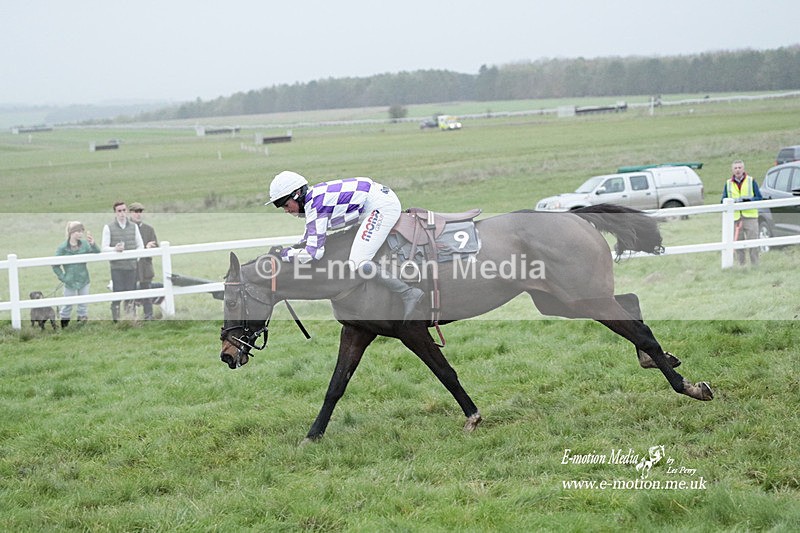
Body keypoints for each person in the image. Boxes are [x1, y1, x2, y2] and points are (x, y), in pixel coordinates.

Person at [267, 170, 424, 321]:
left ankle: (408, 292)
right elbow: (309, 238)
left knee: (358, 262)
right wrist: (289, 251)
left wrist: (284, 255)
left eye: (286, 205)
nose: (286, 211)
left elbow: (313, 253)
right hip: (374, 200)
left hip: (381, 207)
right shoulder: (313, 200)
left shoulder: (316, 205)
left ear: (298, 194)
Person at [101, 201, 144, 322]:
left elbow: (140, 245)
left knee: (131, 294)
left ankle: (131, 319)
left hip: (131, 267)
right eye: (119, 211)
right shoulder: (108, 227)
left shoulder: (133, 226)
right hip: (117, 267)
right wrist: (114, 249)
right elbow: (104, 248)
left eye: (124, 210)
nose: (122, 213)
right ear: (115, 212)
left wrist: (135, 259)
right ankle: (116, 320)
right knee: (117, 294)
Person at [52, 221, 101, 327]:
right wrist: (63, 277)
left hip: (84, 279)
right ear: (71, 232)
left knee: (83, 304)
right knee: (67, 304)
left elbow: (97, 252)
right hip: (69, 280)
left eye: (81, 231)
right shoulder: (62, 248)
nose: (80, 234)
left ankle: (81, 324)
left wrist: (93, 244)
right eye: (78, 231)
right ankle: (64, 324)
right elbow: (55, 265)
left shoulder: (84, 245)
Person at [721, 159, 762, 266]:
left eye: (739, 168)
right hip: (735, 218)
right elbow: (723, 200)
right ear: (732, 170)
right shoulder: (728, 184)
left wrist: (748, 200)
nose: (738, 170)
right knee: (738, 244)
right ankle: (741, 266)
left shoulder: (751, 181)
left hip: (750, 217)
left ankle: (755, 265)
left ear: (743, 169)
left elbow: (759, 198)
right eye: (735, 168)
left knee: (753, 243)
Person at [129, 202, 159, 320]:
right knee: (131, 293)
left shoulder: (149, 229)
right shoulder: (127, 229)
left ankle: (148, 316)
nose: (138, 214)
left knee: (147, 291)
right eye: (135, 212)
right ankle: (131, 317)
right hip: (131, 266)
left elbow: (156, 245)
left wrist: (151, 247)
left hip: (145, 266)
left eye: (140, 211)